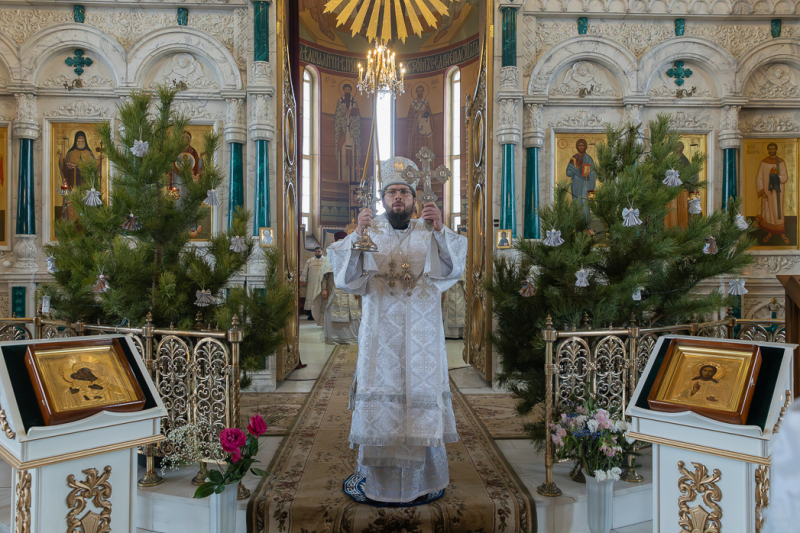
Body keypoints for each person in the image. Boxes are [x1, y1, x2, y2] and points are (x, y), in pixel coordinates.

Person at [327, 157, 467, 503]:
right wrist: (356, 234)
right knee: (383, 403)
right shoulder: (370, 231)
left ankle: (423, 482)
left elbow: (453, 270)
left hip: (423, 335)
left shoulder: (429, 231)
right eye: (391, 192)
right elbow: (347, 280)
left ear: (415, 197)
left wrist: (442, 230)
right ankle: (376, 484)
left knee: (420, 404)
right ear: (383, 198)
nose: (398, 197)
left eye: (404, 191)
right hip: (381, 336)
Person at [314, 231, 361, 345]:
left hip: (349, 290)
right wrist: (324, 289)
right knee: (334, 311)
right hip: (335, 290)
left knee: (353, 314)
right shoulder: (331, 252)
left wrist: (358, 289)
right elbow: (325, 275)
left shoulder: (352, 252)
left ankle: (351, 338)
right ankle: (335, 338)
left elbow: (358, 273)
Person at [58, 131, 101, 222]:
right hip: (73, 185)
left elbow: (93, 170)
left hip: (86, 185)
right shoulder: (70, 153)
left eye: (82, 138)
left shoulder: (89, 153)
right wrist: (61, 159)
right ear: (76, 140)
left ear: (85, 140)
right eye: (79, 138)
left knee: (86, 207)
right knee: (72, 206)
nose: (81, 140)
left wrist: (99, 161)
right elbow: (65, 170)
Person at [756, 142, 790, 244]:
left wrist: (776, 176)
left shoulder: (781, 162)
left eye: (773, 149)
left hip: (778, 193)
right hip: (767, 192)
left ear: (775, 150)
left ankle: (782, 233)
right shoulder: (764, 162)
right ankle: (769, 233)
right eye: (769, 149)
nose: (771, 150)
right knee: (767, 212)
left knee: (777, 210)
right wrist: (761, 191)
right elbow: (759, 178)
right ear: (767, 150)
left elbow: (785, 177)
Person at [334, 84, 361, 182]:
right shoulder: (340, 100)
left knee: (352, 150)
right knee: (343, 151)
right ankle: (342, 178)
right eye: (345, 89)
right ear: (343, 90)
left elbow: (358, 116)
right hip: (343, 130)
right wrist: (343, 114)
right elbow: (337, 115)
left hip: (352, 131)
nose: (347, 91)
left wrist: (353, 115)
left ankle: (353, 178)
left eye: (349, 89)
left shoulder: (354, 100)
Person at [565, 139, 595, 220]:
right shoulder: (574, 159)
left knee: (585, 203)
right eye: (579, 145)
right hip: (576, 183)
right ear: (576, 147)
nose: (581, 147)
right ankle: (577, 227)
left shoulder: (589, 158)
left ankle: (586, 226)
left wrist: (592, 189)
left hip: (586, 183)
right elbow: (568, 173)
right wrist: (574, 170)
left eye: (582, 145)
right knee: (577, 203)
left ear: (585, 147)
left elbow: (593, 173)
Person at [406, 86, 433, 159]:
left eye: (421, 91)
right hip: (415, 128)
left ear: (423, 91)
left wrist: (423, 113)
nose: (420, 92)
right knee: (415, 145)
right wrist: (415, 113)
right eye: (418, 91)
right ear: (416, 92)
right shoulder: (413, 104)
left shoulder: (426, 102)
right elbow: (409, 116)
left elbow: (429, 113)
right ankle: (415, 161)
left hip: (424, 127)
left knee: (424, 144)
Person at [300, 247, 325, 322]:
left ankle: (321, 314)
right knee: (311, 296)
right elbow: (305, 271)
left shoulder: (326, 260)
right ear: (314, 252)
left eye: (319, 251)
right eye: (316, 251)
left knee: (320, 297)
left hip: (322, 282)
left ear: (322, 252)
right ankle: (311, 314)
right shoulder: (310, 261)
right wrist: (303, 279)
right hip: (311, 283)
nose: (318, 252)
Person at [442, 269, 466, 339]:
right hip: (448, 288)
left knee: (460, 308)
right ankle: (448, 333)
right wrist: (442, 291)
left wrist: (466, 290)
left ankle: (460, 333)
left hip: (460, 287)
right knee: (448, 309)